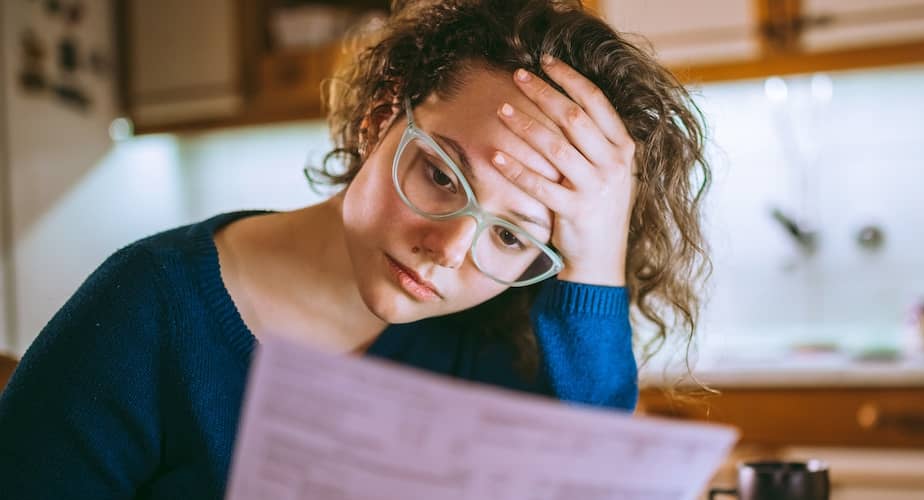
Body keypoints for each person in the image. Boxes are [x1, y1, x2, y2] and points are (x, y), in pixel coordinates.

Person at [0, 0, 711, 498]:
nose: (446, 252)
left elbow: (593, 480)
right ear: (380, 119)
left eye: (510, 235)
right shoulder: (146, 310)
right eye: (440, 175)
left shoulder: (487, 346)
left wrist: (593, 264)